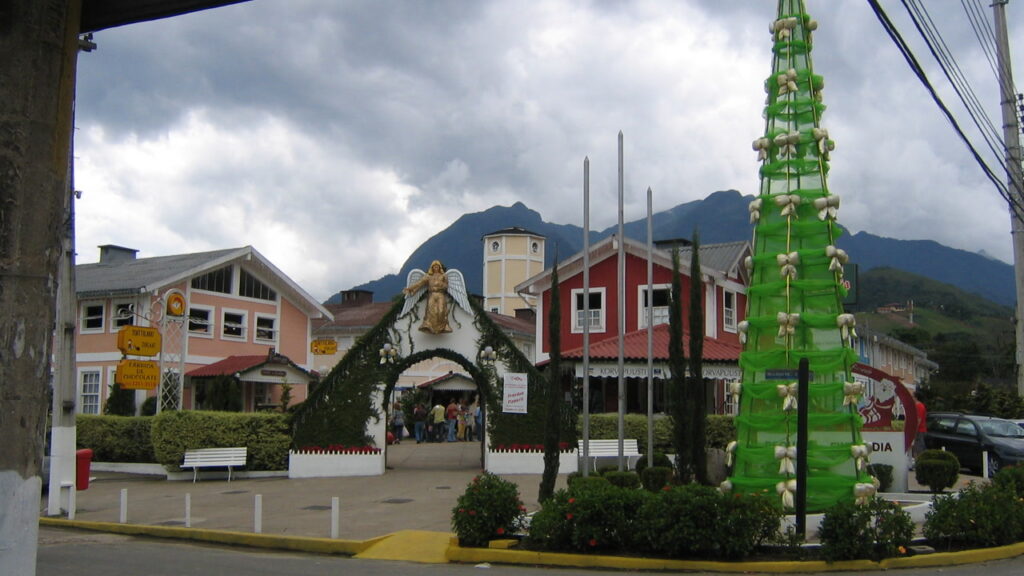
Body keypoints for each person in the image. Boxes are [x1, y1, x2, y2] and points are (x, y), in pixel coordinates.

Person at [403, 260, 452, 334]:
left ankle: (443, 327)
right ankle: (428, 325)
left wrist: (441, 284)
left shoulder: (443, 276)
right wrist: (410, 288)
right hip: (432, 294)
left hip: (440, 294)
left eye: (437, 266)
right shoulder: (428, 276)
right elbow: (419, 284)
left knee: (441, 310)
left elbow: (446, 286)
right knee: (430, 310)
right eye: (434, 267)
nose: (436, 268)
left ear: (439, 267)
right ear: (432, 268)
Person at [913, 390, 928, 461]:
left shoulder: (919, 406)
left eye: (913, 396)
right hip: (919, 430)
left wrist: (914, 431)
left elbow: (918, 420)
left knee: (918, 448)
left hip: (919, 431)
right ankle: (917, 462)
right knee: (916, 448)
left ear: (916, 397)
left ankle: (919, 462)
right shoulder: (918, 406)